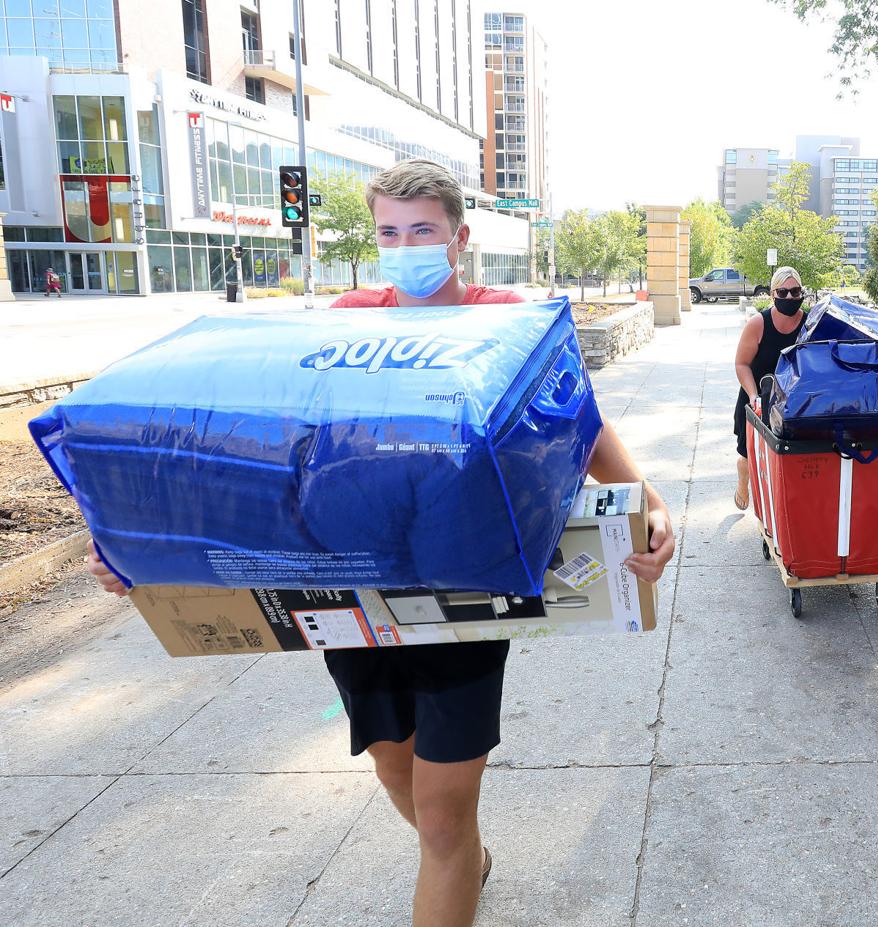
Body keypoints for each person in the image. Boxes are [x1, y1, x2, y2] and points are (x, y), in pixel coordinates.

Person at [85, 158, 675, 927]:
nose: (404, 247)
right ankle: (463, 854)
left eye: (422, 230)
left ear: (459, 238)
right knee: (397, 773)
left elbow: (578, 422)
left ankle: (453, 847)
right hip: (356, 587)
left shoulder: (505, 320)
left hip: (464, 586)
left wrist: (649, 502)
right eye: (389, 233)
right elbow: (272, 446)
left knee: (441, 815)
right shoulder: (351, 318)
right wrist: (131, 544)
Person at [732, 265, 807, 510]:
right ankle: (743, 480)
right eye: (783, 292)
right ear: (773, 294)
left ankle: (777, 506)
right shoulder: (758, 324)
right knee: (748, 454)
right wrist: (753, 395)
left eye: (795, 292)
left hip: (791, 402)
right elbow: (741, 364)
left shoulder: (809, 324)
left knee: (786, 456)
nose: (790, 297)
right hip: (757, 396)